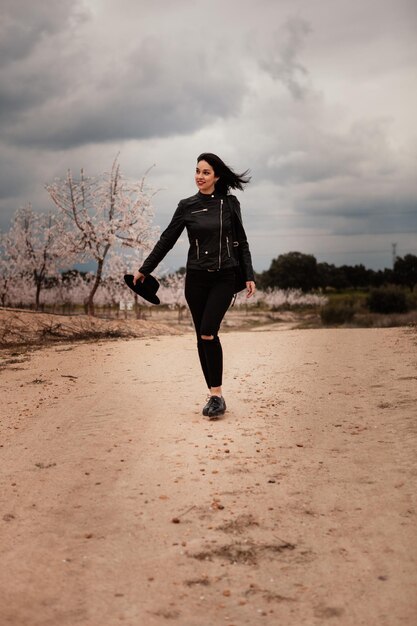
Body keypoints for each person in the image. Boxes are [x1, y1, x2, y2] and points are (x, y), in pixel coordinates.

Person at [133, 153, 256, 419]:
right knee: (201, 336)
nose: (200, 176)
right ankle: (215, 395)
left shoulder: (230, 204)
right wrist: (145, 268)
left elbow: (242, 242)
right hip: (196, 278)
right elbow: (167, 239)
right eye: (197, 171)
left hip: (224, 277)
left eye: (206, 172)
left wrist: (249, 274)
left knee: (209, 331)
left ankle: (216, 394)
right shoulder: (187, 206)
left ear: (217, 176)